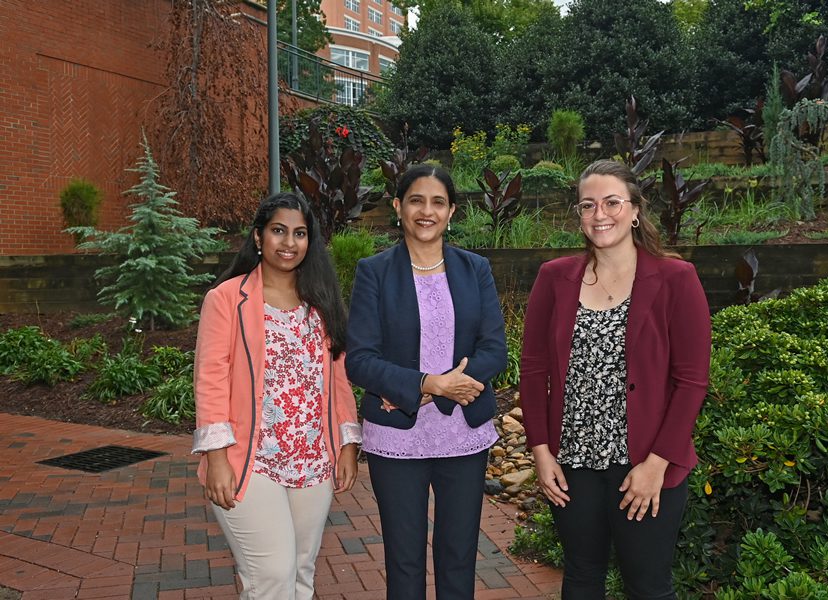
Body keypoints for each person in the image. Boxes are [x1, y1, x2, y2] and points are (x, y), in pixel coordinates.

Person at [520, 160, 711, 599]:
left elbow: (692, 380)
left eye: (611, 202)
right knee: (582, 578)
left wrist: (659, 464)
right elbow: (533, 372)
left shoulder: (675, 279)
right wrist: (541, 452)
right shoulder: (554, 278)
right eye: (588, 205)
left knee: (647, 586)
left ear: (636, 210)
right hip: (573, 462)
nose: (600, 214)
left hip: (643, 464)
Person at [345, 164, 507, 599]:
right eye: (416, 200)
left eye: (438, 202)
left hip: (463, 436)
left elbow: (494, 349)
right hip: (397, 438)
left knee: (458, 557)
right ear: (399, 207)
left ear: (451, 211)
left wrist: (457, 387)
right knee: (404, 559)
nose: (426, 211)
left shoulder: (475, 269)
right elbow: (359, 359)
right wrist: (428, 385)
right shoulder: (374, 272)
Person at [192, 192, 361, 600]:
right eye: (278, 231)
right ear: (258, 237)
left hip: (312, 459)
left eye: (300, 234)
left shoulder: (320, 302)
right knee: (271, 575)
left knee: (301, 573)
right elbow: (211, 379)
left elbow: (337, 379)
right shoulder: (227, 299)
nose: (289, 243)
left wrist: (347, 443)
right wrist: (216, 458)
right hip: (252, 460)